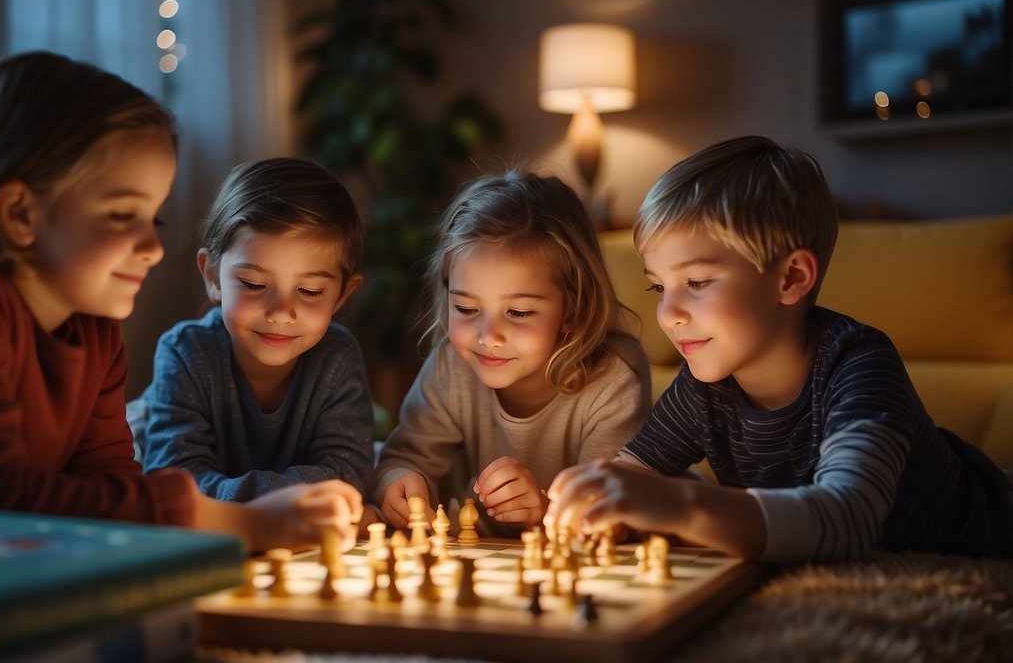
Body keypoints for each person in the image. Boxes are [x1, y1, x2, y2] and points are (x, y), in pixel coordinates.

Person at [0, 51, 361, 553]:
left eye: (154, 218)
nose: (153, 247)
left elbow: (106, 483)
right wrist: (245, 525)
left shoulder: (94, 328)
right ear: (20, 214)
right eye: (123, 216)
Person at [545, 135, 1013, 562]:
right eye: (658, 289)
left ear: (790, 279)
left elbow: (846, 522)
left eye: (697, 282)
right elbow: (633, 476)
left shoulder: (859, 365)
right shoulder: (702, 386)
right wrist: (591, 502)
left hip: (984, 541)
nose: (668, 314)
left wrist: (680, 503)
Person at [370, 171, 651, 536]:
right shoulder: (452, 365)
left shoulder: (614, 377)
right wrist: (399, 483)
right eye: (466, 309)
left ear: (573, 310)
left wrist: (547, 509)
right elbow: (402, 457)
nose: (487, 336)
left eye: (517, 313)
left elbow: (616, 510)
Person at [132, 157, 374, 500]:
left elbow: (348, 472)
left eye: (309, 291)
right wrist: (276, 504)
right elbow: (174, 482)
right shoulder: (186, 352)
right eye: (253, 283)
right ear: (212, 276)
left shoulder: (337, 358)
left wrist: (251, 500)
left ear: (341, 296)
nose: (280, 313)